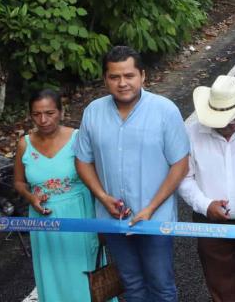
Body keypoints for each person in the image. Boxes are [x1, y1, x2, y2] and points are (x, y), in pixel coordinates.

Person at [74, 46, 190, 302]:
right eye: (114, 77)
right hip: (113, 219)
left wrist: (150, 208)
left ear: (143, 76)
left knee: (161, 286)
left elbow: (180, 164)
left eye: (129, 75)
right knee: (132, 285)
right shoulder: (92, 112)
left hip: (154, 219)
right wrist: (104, 198)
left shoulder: (165, 110)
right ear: (105, 79)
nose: (122, 83)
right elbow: (82, 161)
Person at [178, 75, 235, 302]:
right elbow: (183, 178)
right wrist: (205, 205)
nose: (228, 125)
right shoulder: (191, 133)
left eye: (232, 118)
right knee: (220, 287)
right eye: (221, 120)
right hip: (209, 224)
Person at [13, 89, 108, 302]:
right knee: (52, 273)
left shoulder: (78, 138)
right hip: (43, 221)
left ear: (61, 112)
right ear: (30, 115)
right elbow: (19, 182)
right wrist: (31, 198)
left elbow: (97, 178)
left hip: (80, 215)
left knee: (85, 273)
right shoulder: (24, 144)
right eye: (37, 114)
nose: (43, 120)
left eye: (50, 112)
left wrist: (102, 222)